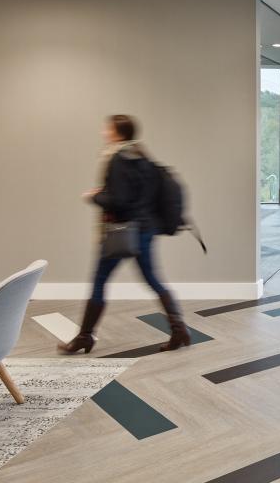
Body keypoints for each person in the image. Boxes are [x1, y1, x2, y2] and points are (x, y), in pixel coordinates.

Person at [59, 115, 191, 354]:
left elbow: (119, 201)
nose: (103, 132)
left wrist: (94, 196)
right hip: (146, 229)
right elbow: (140, 195)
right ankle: (179, 329)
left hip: (122, 231)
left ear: (118, 133)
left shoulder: (118, 158)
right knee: (153, 279)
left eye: (107, 128)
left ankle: (85, 337)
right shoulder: (141, 155)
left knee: (99, 281)